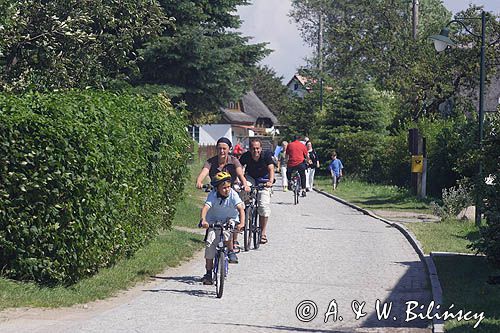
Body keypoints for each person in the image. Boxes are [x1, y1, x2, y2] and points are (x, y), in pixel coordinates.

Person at [195, 137, 250, 253]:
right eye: (219, 148)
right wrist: (199, 181)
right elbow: (204, 172)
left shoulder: (234, 160)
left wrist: (245, 184)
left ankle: (233, 239)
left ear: (229, 149)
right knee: (211, 205)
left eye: (224, 148)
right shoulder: (211, 161)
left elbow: (240, 174)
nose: (222, 151)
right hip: (216, 187)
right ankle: (209, 228)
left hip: (231, 187)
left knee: (235, 207)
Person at [199, 171, 245, 285]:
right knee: (210, 244)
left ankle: (230, 250)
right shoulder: (213, 195)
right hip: (213, 220)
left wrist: (242, 224)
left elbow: (240, 209)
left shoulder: (233, 194)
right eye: (224, 188)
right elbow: (205, 207)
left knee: (227, 232)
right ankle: (208, 273)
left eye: (228, 187)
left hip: (230, 218)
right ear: (217, 188)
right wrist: (203, 220)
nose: (227, 190)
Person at [239, 138, 275, 244]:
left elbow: (271, 169)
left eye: (258, 148)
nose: (256, 151)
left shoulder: (266, 156)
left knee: (263, 206)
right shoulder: (246, 156)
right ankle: (246, 212)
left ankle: (263, 233)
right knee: (243, 192)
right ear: (250, 149)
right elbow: (239, 168)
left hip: (264, 179)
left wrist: (270, 181)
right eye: (253, 149)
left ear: (261, 148)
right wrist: (239, 180)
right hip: (250, 178)